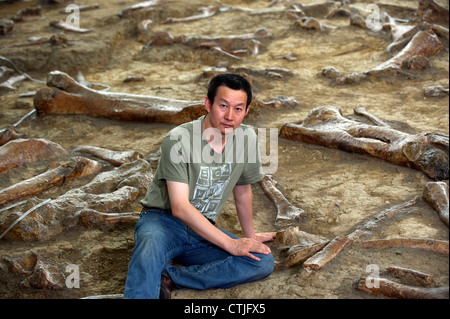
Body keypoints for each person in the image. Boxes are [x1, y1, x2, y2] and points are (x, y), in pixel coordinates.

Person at [123, 73, 275, 299]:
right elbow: (180, 207)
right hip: (162, 221)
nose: (229, 116)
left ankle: (171, 277)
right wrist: (231, 244)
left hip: (202, 230)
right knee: (148, 252)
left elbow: (243, 191)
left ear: (247, 111)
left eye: (238, 109)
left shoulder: (247, 138)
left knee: (261, 261)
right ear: (208, 104)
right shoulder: (178, 140)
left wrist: (249, 238)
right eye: (223, 106)